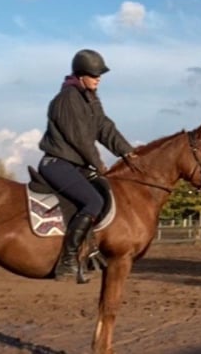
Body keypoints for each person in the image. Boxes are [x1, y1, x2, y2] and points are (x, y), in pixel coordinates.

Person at [37, 49, 136, 282]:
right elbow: (80, 137)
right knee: (93, 201)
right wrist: (98, 162)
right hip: (57, 162)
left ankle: (91, 249)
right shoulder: (67, 99)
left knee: (106, 190)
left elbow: (104, 127)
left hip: (76, 165)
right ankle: (68, 259)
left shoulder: (90, 98)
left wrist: (128, 152)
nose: (98, 78)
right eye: (94, 75)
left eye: (99, 74)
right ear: (81, 75)